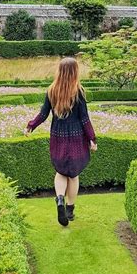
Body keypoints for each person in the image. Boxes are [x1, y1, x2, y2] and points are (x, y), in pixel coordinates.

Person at [25, 57, 97, 226]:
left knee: (60, 172)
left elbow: (43, 114)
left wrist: (30, 126)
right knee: (73, 175)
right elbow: (84, 119)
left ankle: (59, 199)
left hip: (58, 136)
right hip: (76, 137)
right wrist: (92, 138)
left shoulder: (52, 90)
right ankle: (70, 210)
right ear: (75, 72)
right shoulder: (78, 91)